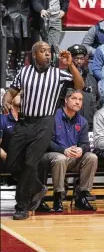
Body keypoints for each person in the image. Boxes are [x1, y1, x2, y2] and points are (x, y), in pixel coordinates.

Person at [2, 41, 84, 220]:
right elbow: (12, 91)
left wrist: (70, 64)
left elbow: (79, 85)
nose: (47, 54)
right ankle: (38, 187)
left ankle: (22, 206)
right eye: (43, 51)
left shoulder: (58, 73)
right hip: (24, 122)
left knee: (31, 164)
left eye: (49, 51)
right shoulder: (24, 72)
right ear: (34, 55)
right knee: (11, 163)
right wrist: (5, 100)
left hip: (44, 123)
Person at [39, 89, 98, 212]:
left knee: (92, 157)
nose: (77, 102)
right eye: (74, 99)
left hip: (72, 157)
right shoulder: (53, 117)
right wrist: (63, 150)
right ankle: (58, 197)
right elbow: (46, 142)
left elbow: (85, 144)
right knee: (60, 158)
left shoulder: (82, 121)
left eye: (80, 100)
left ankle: (81, 196)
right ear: (66, 100)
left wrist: (81, 150)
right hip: (51, 157)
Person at [0, 0, 32, 75]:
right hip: (10, 18)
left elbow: (30, 2)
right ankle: (6, 68)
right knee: (10, 44)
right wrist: (5, 12)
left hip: (24, 18)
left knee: (22, 45)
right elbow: (1, 1)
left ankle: (21, 68)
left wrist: (29, 14)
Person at [67, 44, 101, 131]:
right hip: (70, 123)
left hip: (89, 123)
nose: (79, 61)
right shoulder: (65, 78)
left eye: (81, 59)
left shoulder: (91, 78)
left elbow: (97, 100)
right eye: (76, 59)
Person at [0, 95, 20, 171]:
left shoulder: (28, 119)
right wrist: (5, 157)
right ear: (11, 100)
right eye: (18, 94)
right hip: (5, 160)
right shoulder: (2, 119)